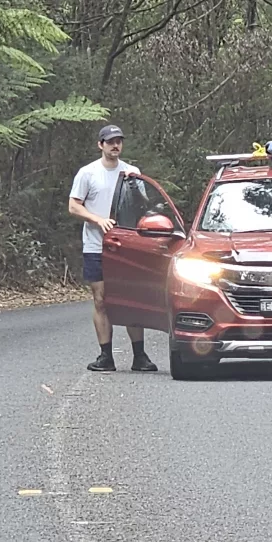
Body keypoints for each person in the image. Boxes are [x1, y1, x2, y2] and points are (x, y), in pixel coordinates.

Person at [67, 125, 158, 373]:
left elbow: (144, 205)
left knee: (131, 299)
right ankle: (105, 356)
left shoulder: (132, 171)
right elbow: (74, 207)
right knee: (101, 300)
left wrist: (133, 187)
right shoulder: (88, 173)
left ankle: (140, 356)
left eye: (118, 141)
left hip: (126, 245)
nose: (115, 146)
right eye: (110, 142)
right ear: (100, 145)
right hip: (97, 245)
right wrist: (98, 220)